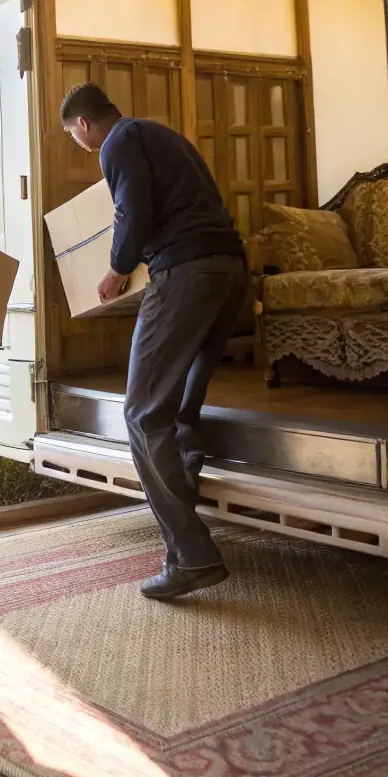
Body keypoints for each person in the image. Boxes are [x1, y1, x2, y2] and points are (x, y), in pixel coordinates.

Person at [61, 83, 247, 601]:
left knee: (142, 414)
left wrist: (117, 271)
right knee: (181, 405)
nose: (84, 147)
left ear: (83, 125)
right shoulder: (166, 137)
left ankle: (192, 555)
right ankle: (181, 500)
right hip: (229, 269)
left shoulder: (116, 143)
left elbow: (131, 212)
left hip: (185, 273)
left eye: (78, 139)